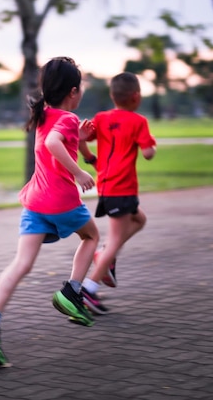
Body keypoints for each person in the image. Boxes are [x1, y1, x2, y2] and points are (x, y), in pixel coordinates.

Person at [0, 57, 99, 367]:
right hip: (61, 201)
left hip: (35, 203)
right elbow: (56, 143)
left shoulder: (43, 115)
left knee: (21, 263)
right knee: (91, 237)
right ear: (73, 91)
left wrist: (79, 139)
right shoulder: (67, 117)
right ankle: (72, 291)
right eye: (80, 89)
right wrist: (79, 172)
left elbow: (54, 141)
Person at [78, 72, 156, 315]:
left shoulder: (101, 118)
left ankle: (104, 255)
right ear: (136, 97)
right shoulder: (138, 122)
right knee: (114, 241)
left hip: (108, 186)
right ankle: (88, 290)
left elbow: (82, 138)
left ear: (113, 96)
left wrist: (89, 156)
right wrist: (151, 146)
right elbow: (148, 153)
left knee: (140, 219)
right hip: (122, 187)